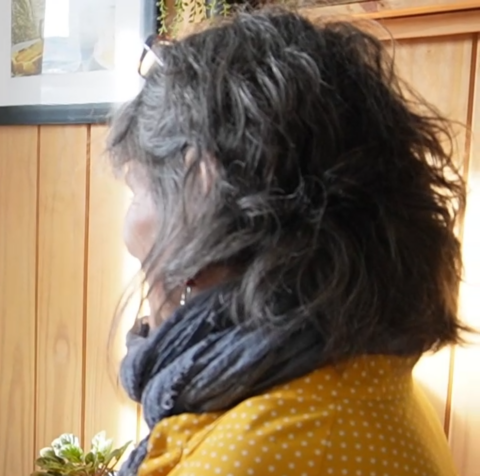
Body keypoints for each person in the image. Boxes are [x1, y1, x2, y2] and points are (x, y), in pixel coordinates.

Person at [110, 7, 466, 476]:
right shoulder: (371, 383)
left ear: (200, 194)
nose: (128, 230)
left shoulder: (247, 456)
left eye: (137, 190)